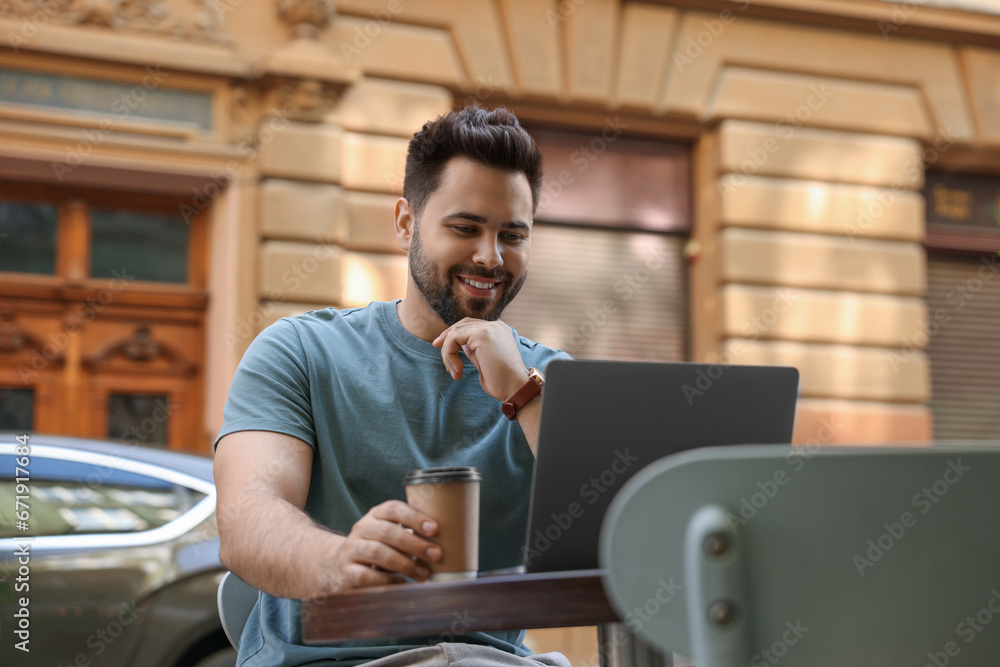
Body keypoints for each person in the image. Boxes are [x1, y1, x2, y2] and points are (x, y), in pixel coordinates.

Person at [214, 105, 573, 667]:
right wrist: (343, 560)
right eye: (465, 228)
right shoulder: (302, 352)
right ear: (406, 221)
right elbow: (246, 519)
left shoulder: (547, 381)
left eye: (512, 234)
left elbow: (628, 543)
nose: (490, 256)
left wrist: (522, 392)